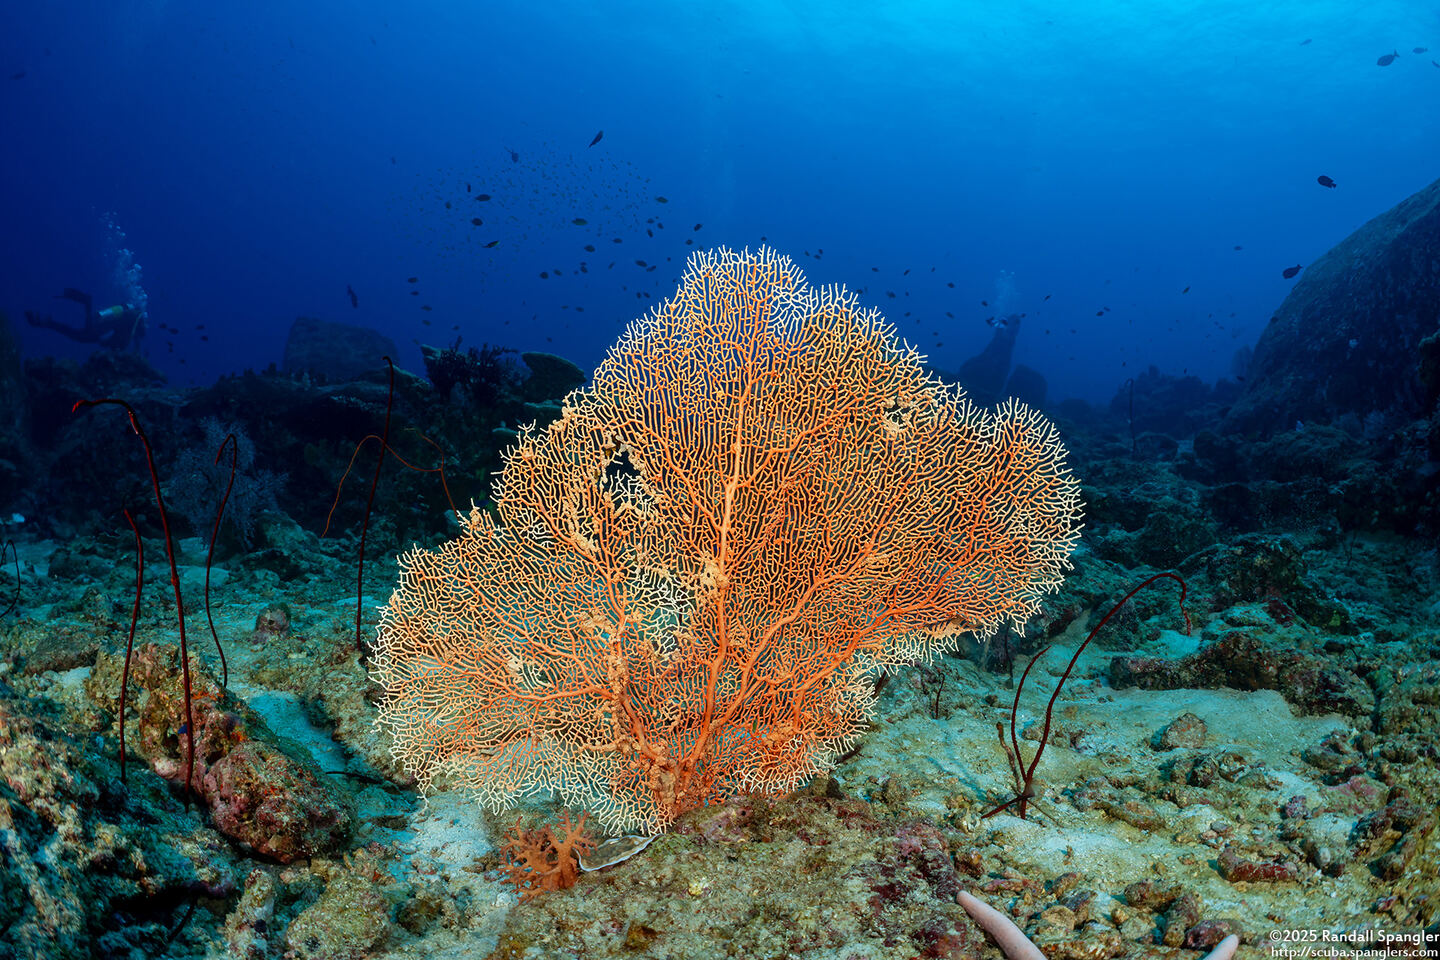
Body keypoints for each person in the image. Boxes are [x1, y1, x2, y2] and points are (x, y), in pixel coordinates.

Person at [24, 288, 145, 351]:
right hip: (99, 329)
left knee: (76, 334)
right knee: (78, 336)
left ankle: (47, 323)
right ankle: (87, 302)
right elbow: (120, 338)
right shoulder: (132, 324)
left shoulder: (130, 321)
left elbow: (119, 336)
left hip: (99, 326)